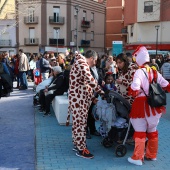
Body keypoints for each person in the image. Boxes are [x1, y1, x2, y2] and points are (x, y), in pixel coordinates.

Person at [127, 46, 170, 166]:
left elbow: (135, 86)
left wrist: (134, 88)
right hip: (154, 106)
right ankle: (152, 155)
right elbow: (166, 84)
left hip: (141, 105)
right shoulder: (154, 71)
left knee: (140, 131)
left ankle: (138, 157)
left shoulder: (139, 72)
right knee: (152, 131)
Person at [66, 50, 104, 159]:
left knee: (78, 124)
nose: (95, 63)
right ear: (92, 58)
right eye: (95, 61)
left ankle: (77, 144)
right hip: (79, 100)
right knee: (81, 125)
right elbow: (90, 80)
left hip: (78, 99)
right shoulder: (82, 64)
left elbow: (84, 84)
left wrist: (92, 97)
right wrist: (101, 92)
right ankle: (81, 149)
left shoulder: (78, 62)